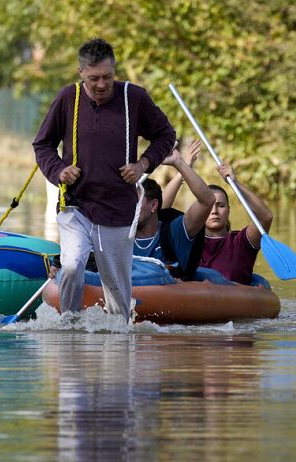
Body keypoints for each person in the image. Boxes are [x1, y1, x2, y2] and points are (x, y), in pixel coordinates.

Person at [33, 38, 176, 322]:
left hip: (118, 208)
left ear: (115, 71)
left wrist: (143, 165)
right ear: (80, 73)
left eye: (107, 77)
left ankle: (120, 342)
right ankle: (68, 327)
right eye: (93, 78)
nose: (101, 84)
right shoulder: (67, 98)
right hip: (76, 204)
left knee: (117, 293)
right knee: (72, 266)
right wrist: (60, 170)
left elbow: (166, 135)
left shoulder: (133, 98)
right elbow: (42, 145)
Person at [133, 140, 214, 279]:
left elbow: (207, 201)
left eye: (135, 202)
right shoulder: (120, 233)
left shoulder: (175, 232)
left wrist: (179, 163)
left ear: (153, 205)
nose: (127, 207)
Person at [198, 163, 274, 285]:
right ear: (200, 211)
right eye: (209, 206)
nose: (214, 211)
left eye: (220, 206)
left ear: (228, 210)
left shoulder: (241, 242)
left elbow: (265, 217)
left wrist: (235, 183)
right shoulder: (189, 243)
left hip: (234, 299)